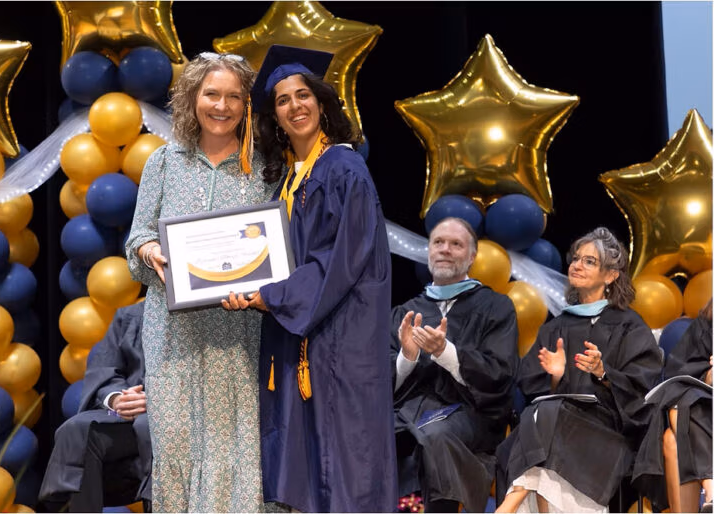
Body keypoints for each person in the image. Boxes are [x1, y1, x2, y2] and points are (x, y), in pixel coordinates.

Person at [223, 44, 397, 512]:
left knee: (344, 459)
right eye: (282, 100)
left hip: (340, 335)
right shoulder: (285, 179)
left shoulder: (344, 169)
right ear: (273, 116)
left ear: (321, 103)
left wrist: (270, 295)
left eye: (303, 95)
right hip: (301, 333)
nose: (295, 106)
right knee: (307, 462)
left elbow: (338, 259)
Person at [125, 51, 276, 512]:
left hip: (241, 332)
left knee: (237, 447)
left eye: (235, 96)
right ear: (192, 98)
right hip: (173, 333)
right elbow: (137, 243)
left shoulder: (268, 166)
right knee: (176, 448)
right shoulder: (163, 162)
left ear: (248, 104)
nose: (222, 106)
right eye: (212, 94)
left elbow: (279, 246)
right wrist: (151, 251)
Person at [494, 227, 663, 513]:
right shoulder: (556, 326)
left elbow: (643, 390)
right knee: (543, 414)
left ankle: (512, 501)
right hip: (555, 425)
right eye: (576, 258)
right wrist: (557, 377)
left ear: (611, 275)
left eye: (589, 261)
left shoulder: (630, 326)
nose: (577, 265)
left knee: (544, 417)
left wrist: (603, 373)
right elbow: (530, 382)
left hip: (606, 431)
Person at [391, 217, 519, 513]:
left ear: (472, 256)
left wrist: (446, 353)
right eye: (438, 242)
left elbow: (500, 374)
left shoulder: (496, 307)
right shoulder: (405, 312)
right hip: (408, 411)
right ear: (429, 251)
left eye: (456, 244)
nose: (445, 249)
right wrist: (407, 357)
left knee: (434, 435)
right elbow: (378, 377)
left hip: (470, 414)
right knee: (367, 430)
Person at [39, 301, 150, 513]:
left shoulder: (205, 309)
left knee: (148, 427)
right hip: (131, 414)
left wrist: (158, 400)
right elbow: (104, 369)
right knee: (79, 429)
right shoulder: (132, 315)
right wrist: (118, 399)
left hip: (184, 415)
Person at [632, 299, 713, 512]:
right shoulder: (707, 325)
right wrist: (708, 376)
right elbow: (680, 374)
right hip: (704, 418)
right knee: (671, 438)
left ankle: (710, 488)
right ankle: (709, 490)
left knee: (674, 437)